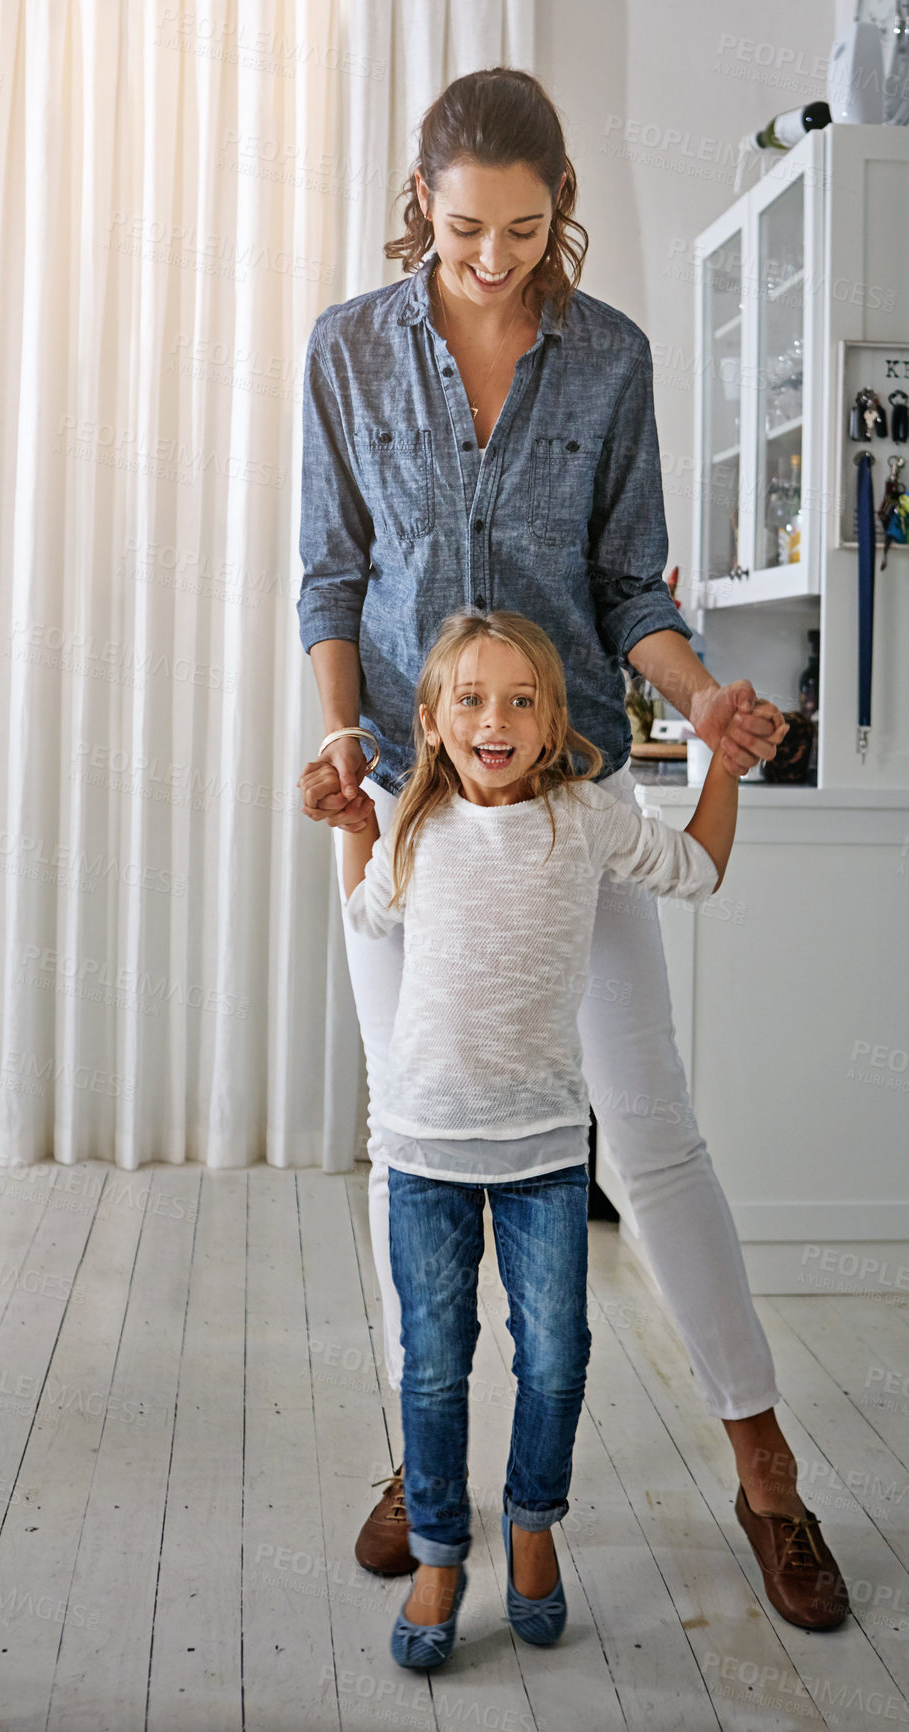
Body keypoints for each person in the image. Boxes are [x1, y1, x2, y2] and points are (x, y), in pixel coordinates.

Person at [295, 66, 849, 1633]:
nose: (492, 258)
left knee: (648, 1134)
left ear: (560, 214)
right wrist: (342, 739)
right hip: (405, 802)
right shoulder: (347, 350)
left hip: (572, 797)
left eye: (524, 231)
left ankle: (765, 1476)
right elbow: (328, 578)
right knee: (411, 1134)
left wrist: (705, 699)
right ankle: (427, 1464)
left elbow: (631, 593)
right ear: (423, 206)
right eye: (465, 228)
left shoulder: (609, 359)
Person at [308, 607, 734, 1669]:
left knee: (553, 1358)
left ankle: (531, 1520)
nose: (493, 719)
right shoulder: (410, 820)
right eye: (469, 699)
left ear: (551, 722)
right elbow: (366, 918)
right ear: (432, 718)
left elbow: (697, 868)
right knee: (433, 1366)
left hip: (544, 1154)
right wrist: (347, 809)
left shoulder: (584, 818)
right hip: (423, 1155)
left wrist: (720, 756)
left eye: (519, 699)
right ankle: (443, 1552)